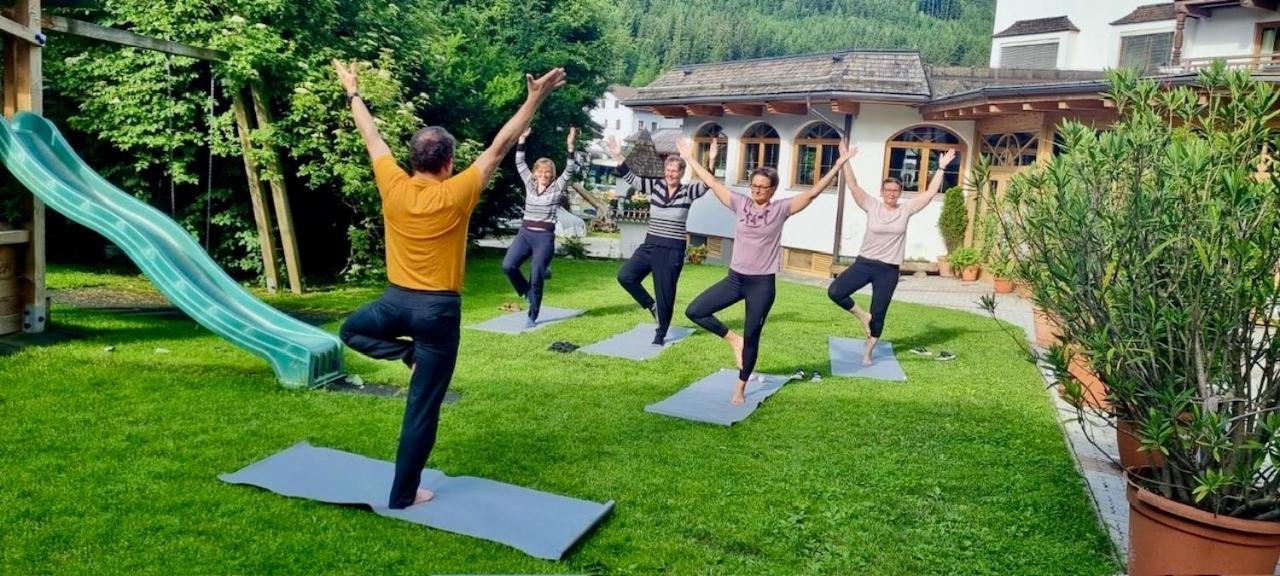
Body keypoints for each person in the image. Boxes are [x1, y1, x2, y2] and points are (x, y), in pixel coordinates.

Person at [333, 60, 565, 508]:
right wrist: (534, 98)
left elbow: (371, 137)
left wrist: (353, 92)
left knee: (350, 330)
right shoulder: (457, 192)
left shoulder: (392, 183)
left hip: (394, 304)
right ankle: (403, 493)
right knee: (421, 408)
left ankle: (406, 355)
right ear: (449, 163)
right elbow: (499, 147)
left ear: (413, 160)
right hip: (438, 313)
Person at [678, 136, 857, 405]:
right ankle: (731, 338)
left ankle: (740, 388)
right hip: (735, 279)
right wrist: (690, 158)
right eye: (754, 186)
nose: (757, 190)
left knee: (753, 335)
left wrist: (840, 163)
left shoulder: (781, 209)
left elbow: (813, 192)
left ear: (773, 189)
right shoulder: (740, 203)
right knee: (695, 311)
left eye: (763, 187)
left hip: (761, 284)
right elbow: (713, 183)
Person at [827, 143, 956, 366]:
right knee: (835, 291)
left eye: (895, 191)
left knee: (879, 311)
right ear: (882, 192)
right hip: (864, 264)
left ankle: (868, 352)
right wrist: (844, 160)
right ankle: (861, 316)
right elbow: (853, 185)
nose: (891, 194)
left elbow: (929, 193)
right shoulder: (871, 205)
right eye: (887, 191)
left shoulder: (906, 210)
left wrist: (942, 168)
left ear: (899, 193)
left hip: (888, 270)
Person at [606, 134, 715, 345]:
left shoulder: (688, 191)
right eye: (668, 170)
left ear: (682, 173)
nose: (671, 174)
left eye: (675, 171)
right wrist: (617, 154)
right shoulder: (655, 186)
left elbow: (708, 183)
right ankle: (651, 305)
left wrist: (710, 162)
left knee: (665, 292)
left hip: (672, 249)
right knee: (625, 276)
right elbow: (632, 178)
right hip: (650, 244)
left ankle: (661, 332)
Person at [502, 126, 578, 327]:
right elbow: (519, 162)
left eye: (548, 172)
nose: (544, 174)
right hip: (525, 233)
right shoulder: (529, 182)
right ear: (535, 172)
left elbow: (569, 169)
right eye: (540, 171)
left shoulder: (557, 187)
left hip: (544, 237)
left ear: (552, 174)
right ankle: (526, 291)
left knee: (536, 274)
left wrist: (570, 146)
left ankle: (532, 314)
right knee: (508, 266)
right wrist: (521, 140)